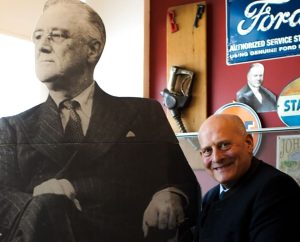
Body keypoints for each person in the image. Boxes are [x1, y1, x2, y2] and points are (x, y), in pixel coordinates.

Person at [0, 1, 201, 241]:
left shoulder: (143, 114)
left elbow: (185, 184)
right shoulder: (11, 128)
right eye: (38, 37)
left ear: (92, 49)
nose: (42, 46)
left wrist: (171, 194)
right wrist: (40, 203)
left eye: (56, 36)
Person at [196, 114, 300, 242]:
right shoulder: (210, 197)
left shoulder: (276, 188)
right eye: (207, 150)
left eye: (224, 145)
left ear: (248, 143)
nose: (217, 158)